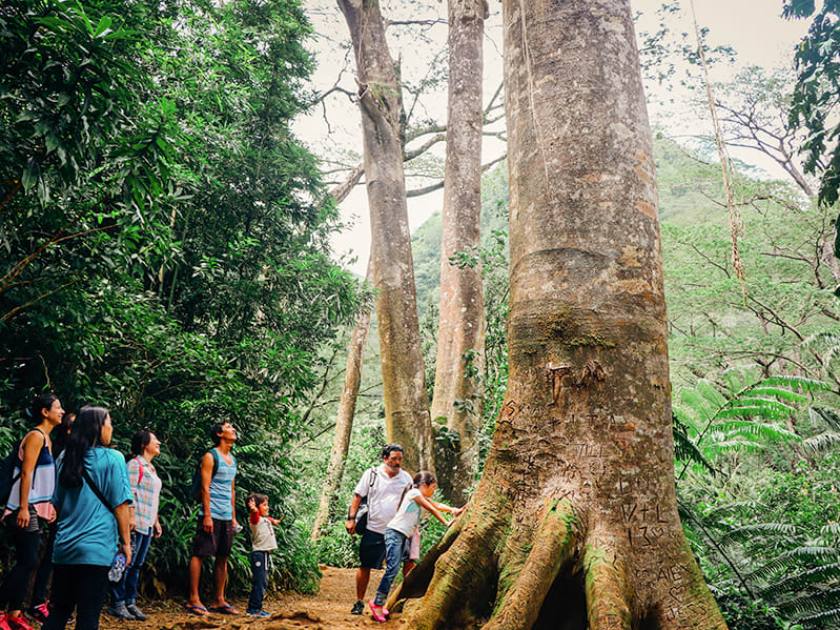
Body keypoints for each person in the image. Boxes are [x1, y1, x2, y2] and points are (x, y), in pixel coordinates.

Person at [44, 406, 133, 630]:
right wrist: (126, 543)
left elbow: (57, 503)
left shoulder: (65, 457)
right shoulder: (113, 458)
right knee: (88, 616)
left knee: (59, 612)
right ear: (98, 427)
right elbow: (120, 505)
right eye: (109, 423)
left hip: (65, 548)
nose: (111, 428)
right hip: (96, 548)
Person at [0, 394, 64, 630]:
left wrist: (49, 507)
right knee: (27, 560)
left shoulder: (47, 438)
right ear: (45, 412)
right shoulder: (36, 436)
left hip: (35, 508)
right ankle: (2, 611)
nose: (62, 411)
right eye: (58, 407)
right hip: (23, 508)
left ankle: (14, 613)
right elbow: (26, 473)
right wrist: (24, 507)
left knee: (28, 561)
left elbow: (43, 478)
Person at [369, 471, 461, 622]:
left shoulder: (419, 495)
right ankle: (377, 603)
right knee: (392, 568)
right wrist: (446, 522)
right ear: (424, 485)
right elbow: (431, 508)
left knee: (396, 568)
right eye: (433, 487)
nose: (434, 490)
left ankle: (380, 603)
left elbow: (435, 504)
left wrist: (453, 510)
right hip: (395, 533)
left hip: (402, 535)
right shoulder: (413, 493)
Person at [344, 444, 413, 615]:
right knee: (365, 565)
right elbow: (357, 497)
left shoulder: (406, 479)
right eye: (394, 459)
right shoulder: (372, 474)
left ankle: (406, 601)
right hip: (373, 528)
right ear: (385, 458)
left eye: (400, 459)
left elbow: (411, 503)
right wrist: (351, 519)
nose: (397, 462)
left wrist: (412, 524)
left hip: (398, 529)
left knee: (408, 563)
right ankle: (359, 602)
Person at [108, 429, 163, 621]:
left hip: (147, 523)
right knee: (126, 564)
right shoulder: (134, 465)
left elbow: (152, 498)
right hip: (135, 523)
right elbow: (128, 494)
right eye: (155, 440)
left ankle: (130, 601)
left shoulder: (151, 468)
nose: (159, 443)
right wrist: (130, 518)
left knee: (137, 565)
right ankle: (118, 603)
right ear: (143, 444)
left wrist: (155, 521)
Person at [186, 421, 240, 616]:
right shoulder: (210, 456)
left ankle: (219, 599)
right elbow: (205, 487)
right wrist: (207, 515)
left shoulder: (232, 459)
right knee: (200, 553)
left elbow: (231, 491)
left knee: (223, 556)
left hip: (226, 515)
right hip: (211, 514)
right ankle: (193, 599)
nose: (233, 429)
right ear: (219, 434)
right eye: (228, 427)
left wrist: (233, 518)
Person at [245, 494, 281, 618]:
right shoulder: (255, 519)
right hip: (259, 554)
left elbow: (268, 518)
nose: (267, 507)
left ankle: (256, 608)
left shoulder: (264, 519)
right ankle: (254, 609)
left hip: (264, 554)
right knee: (259, 581)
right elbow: (255, 515)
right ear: (256, 507)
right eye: (264, 505)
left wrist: (274, 521)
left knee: (263, 581)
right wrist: (253, 508)